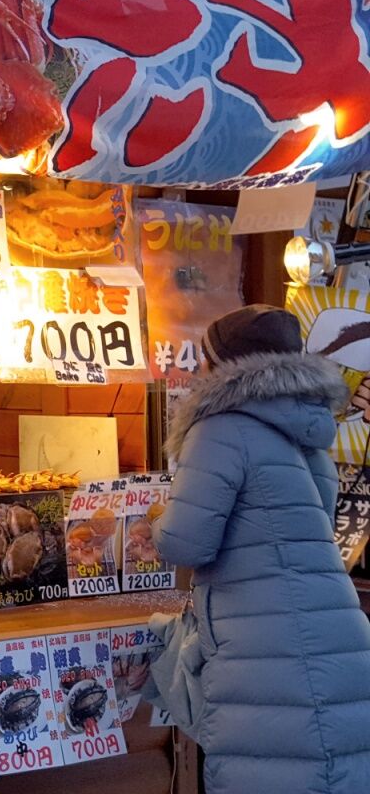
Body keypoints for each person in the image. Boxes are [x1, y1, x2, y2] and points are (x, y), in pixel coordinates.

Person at [154, 304, 370, 794]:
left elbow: (186, 540)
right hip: (342, 639)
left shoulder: (220, 428)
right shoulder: (310, 437)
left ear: (221, 368)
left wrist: (156, 523)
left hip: (267, 650)